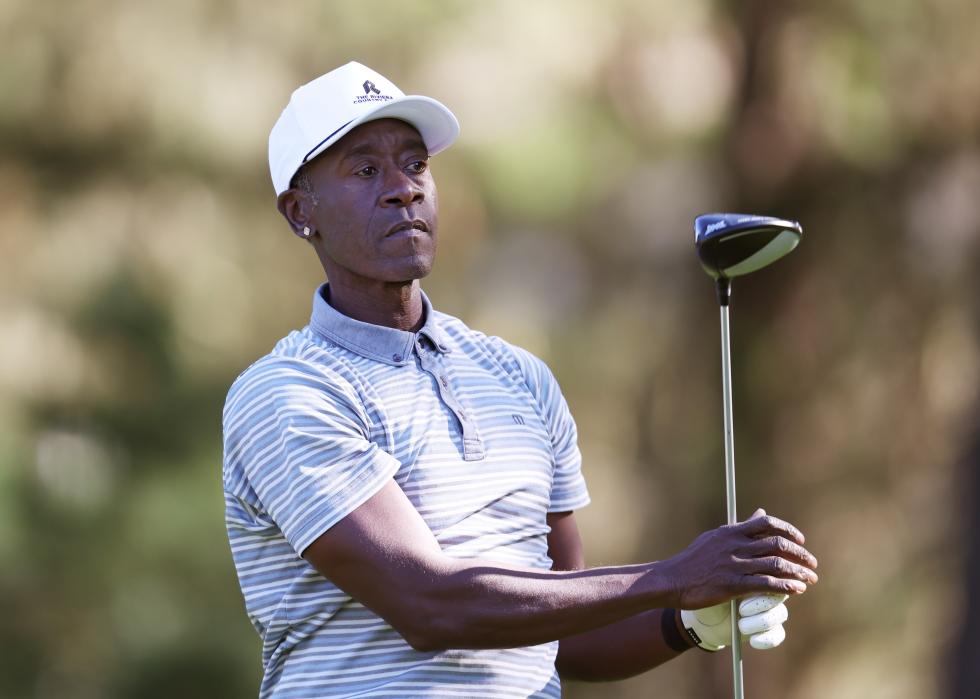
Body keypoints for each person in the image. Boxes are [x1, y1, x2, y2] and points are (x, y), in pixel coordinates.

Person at [222, 61, 819, 698]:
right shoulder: (288, 392)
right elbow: (429, 605)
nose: (404, 189)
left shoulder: (517, 377)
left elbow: (564, 633)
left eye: (416, 163)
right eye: (366, 170)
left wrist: (691, 622)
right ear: (298, 211)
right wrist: (676, 575)